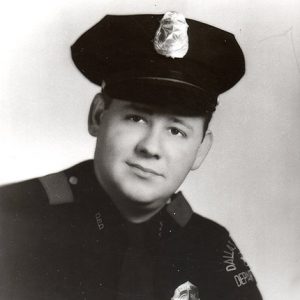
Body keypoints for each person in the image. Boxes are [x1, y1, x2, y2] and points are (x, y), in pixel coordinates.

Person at [0, 12, 263, 300]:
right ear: (98, 116)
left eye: (176, 131)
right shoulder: (13, 220)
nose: (151, 147)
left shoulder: (209, 246)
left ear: (200, 150)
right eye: (136, 118)